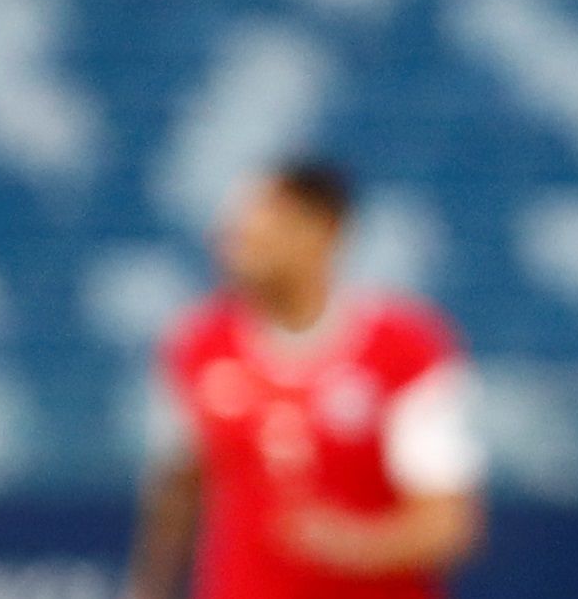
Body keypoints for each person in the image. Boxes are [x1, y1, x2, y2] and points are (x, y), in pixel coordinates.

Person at [125, 160, 486, 599]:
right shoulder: (197, 348)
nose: (234, 247)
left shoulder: (405, 351)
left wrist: (356, 545)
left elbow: (447, 524)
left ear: (321, 231)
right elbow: (178, 488)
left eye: (257, 231)